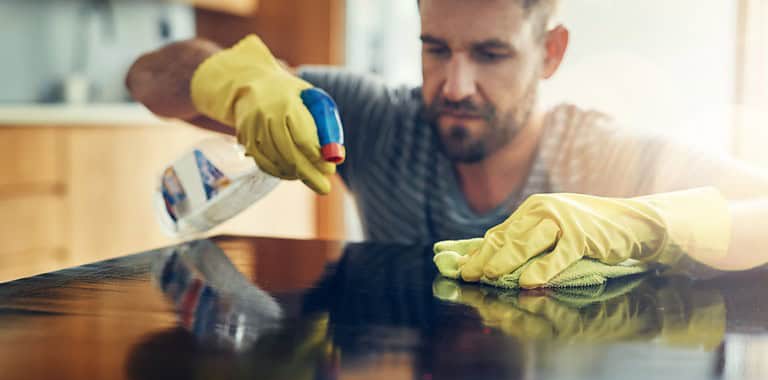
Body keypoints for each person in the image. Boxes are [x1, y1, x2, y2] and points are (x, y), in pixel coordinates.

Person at [126, 0, 768, 288]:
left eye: (490, 54)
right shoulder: (373, 119)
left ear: (550, 52)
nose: (454, 86)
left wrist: (643, 224)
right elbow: (148, 78)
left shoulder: (607, 153)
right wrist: (235, 83)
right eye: (436, 50)